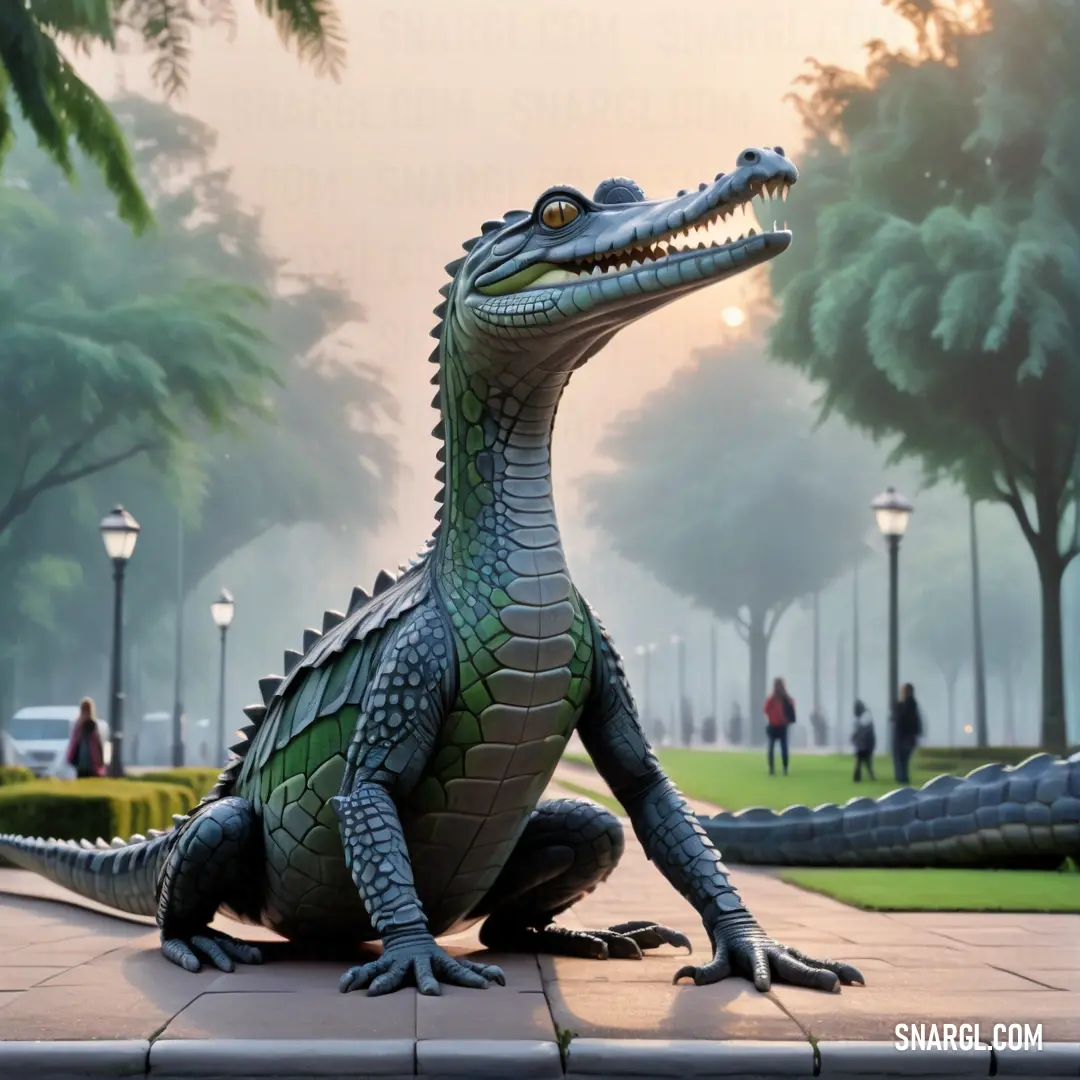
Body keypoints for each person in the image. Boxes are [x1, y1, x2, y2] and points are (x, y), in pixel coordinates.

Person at [763, 677, 795, 775]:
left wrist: (772, 717)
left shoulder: (772, 698)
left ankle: (771, 768)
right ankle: (785, 768)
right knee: (784, 747)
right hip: (782, 725)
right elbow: (792, 706)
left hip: (773, 725)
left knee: (771, 747)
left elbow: (765, 710)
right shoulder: (786, 698)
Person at [65, 698, 105, 779]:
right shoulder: (83, 724)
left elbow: (74, 742)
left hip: (86, 759)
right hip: (87, 759)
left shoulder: (85, 724)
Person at [892, 682, 923, 784]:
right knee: (902, 758)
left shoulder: (907, 705)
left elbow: (903, 719)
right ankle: (902, 777)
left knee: (901, 758)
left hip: (904, 736)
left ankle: (902, 778)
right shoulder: (910, 704)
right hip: (906, 736)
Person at [851, 699, 876, 781]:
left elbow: (857, 733)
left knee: (861, 762)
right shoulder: (865, 718)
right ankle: (867, 777)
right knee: (865, 762)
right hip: (863, 744)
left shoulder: (863, 719)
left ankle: (857, 778)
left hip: (862, 744)